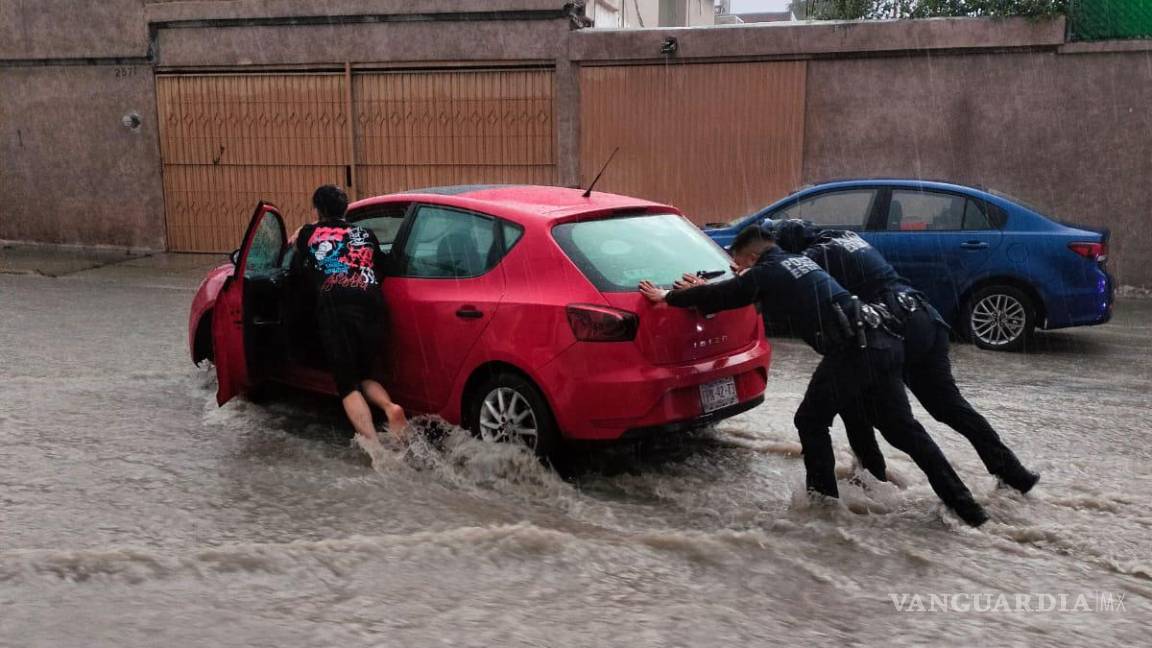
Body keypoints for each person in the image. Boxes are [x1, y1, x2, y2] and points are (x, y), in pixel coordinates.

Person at [641, 225, 989, 526]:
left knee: (809, 419)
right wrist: (714, 287)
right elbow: (746, 289)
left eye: (738, 263)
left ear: (748, 258)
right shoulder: (800, 261)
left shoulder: (767, 273)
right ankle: (967, 508)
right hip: (884, 340)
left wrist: (668, 296)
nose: (737, 268)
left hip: (857, 349)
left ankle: (824, 506)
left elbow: (728, 294)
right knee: (906, 433)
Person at [770, 219, 1039, 493]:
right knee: (950, 407)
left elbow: (788, 275)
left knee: (865, 404)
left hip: (895, 325)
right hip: (925, 317)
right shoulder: (843, 235)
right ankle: (1013, 473)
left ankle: (870, 477)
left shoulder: (814, 255)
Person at [290, 184, 408, 449]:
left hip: (335, 306)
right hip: (372, 304)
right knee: (365, 372)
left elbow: (296, 253)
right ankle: (390, 407)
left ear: (317, 210)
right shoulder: (365, 233)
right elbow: (384, 266)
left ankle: (374, 447)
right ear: (346, 209)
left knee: (347, 383)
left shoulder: (309, 233)